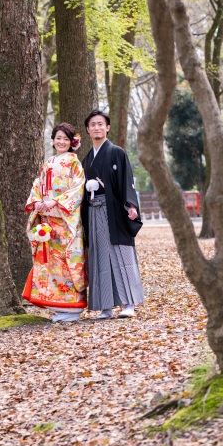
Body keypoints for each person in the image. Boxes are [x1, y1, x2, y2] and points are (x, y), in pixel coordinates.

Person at [80, 110, 144, 319]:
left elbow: (127, 180)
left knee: (120, 253)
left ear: (107, 128)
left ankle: (129, 304)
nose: (97, 127)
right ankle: (105, 306)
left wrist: (131, 204)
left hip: (114, 209)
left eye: (101, 124)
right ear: (88, 130)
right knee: (99, 256)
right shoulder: (87, 159)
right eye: (93, 125)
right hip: (93, 210)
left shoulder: (117, 152)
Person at [22, 123, 87, 321]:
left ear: (72, 143)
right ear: (52, 140)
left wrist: (54, 202)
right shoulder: (48, 162)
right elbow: (37, 185)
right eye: (58, 138)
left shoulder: (74, 163)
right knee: (50, 263)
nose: (61, 142)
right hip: (49, 221)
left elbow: (77, 189)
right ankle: (57, 305)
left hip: (65, 221)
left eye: (65, 139)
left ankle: (73, 308)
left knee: (66, 261)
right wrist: (37, 203)